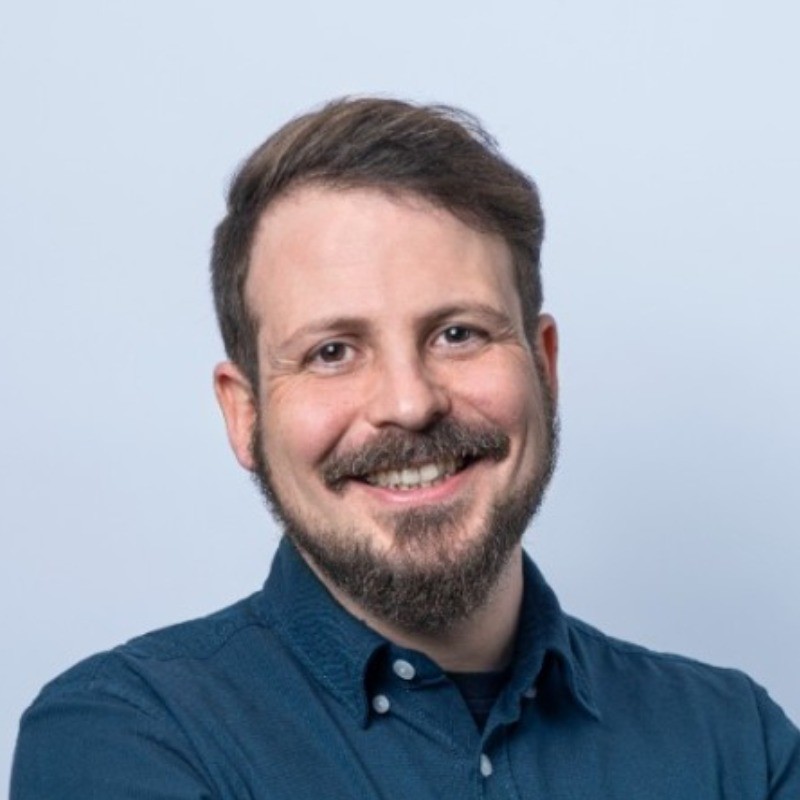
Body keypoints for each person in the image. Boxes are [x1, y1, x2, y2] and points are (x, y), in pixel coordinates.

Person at [11, 97, 800, 798]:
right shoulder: (125, 737)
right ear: (243, 415)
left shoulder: (737, 744)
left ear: (544, 366)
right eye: (331, 352)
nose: (409, 404)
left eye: (458, 334)